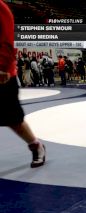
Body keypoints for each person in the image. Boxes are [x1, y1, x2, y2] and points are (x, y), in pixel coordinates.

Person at [0, 0, 46, 168]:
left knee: (14, 119)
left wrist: (2, 67)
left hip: (3, 75)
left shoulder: (1, 8)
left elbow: (7, 39)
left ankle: (36, 146)